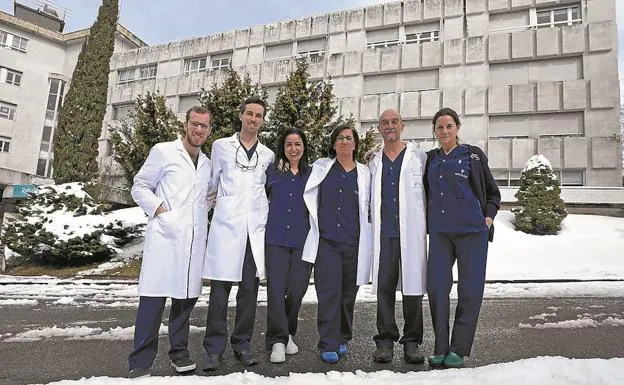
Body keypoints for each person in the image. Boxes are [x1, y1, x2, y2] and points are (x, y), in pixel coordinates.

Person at [128, 106, 213, 378]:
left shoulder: (208, 163)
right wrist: (161, 211)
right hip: (166, 236)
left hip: (193, 239)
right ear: (185, 125)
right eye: (195, 124)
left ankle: (179, 352)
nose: (199, 130)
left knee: (184, 299)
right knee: (153, 300)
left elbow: (207, 196)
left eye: (205, 126)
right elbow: (139, 186)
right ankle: (141, 360)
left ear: (210, 131)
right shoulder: (163, 151)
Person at [424, 107, 501, 369]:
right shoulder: (429, 159)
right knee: (435, 287)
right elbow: (403, 166)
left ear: (457, 128)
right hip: (439, 233)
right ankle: (440, 346)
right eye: (439, 127)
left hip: (472, 233)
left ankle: (458, 349)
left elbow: (493, 193)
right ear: (434, 131)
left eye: (449, 126)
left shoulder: (473, 156)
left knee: (469, 291)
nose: (444, 131)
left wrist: (487, 218)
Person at [202, 97, 275, 370]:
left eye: (259, 115)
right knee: (220, 292)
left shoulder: (267, 155)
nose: (253, 119)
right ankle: (213, 348)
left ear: (262, 121)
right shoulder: (221, 146)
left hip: (253, 232)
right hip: (225, 228)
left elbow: (267, 190)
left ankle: (242, 344)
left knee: (248, 291)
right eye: (250, 114)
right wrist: (217, 208)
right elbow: (211, 185)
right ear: (241, 115)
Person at [302, 124, 372, 364]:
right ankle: (328, 342)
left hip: (354, 242)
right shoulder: (321, 168)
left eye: (349, 138)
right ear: (334, 144)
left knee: (347, 294)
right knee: (329, 293)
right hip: (327, 243)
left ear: (355, 144)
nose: (344, 141)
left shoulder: (365, 173)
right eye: (340, 138)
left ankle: (343, 336)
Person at [368, 109, 427, 364]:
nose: (390, 126)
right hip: (384, 235)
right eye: (385, 123)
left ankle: (412, 341)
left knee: (413, 289)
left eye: (394, 122)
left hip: (411, 233)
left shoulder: (419, 158)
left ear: (402, 125)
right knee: (385, 289)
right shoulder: (373, 160)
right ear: (379, 128)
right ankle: (385, 340)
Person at [264, 128, 313, 364]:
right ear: (282, 148)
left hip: (303, 241)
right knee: (275, 291)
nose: (294, 148)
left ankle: (288, 332)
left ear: (304, 147)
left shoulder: (313, 174)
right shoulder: (272, 171)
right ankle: (278, 340)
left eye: (298, 144)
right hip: (275, 240)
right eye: (289, 144)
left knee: (296, 290)